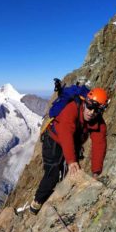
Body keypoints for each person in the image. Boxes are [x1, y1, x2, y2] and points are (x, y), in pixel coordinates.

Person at [30, 87, 108, 215]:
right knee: (53, 173)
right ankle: (37, 202)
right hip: (54, 140)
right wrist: (71, 160)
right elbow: (66, 134)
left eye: (96, 110)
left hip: (73, 143)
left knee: (71, 173)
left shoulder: (99, 122)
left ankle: (60, 197)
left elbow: (99, 144)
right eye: (89, 106)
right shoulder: (71, 108)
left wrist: (96, 172)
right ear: (85, 101)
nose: (91, 112)